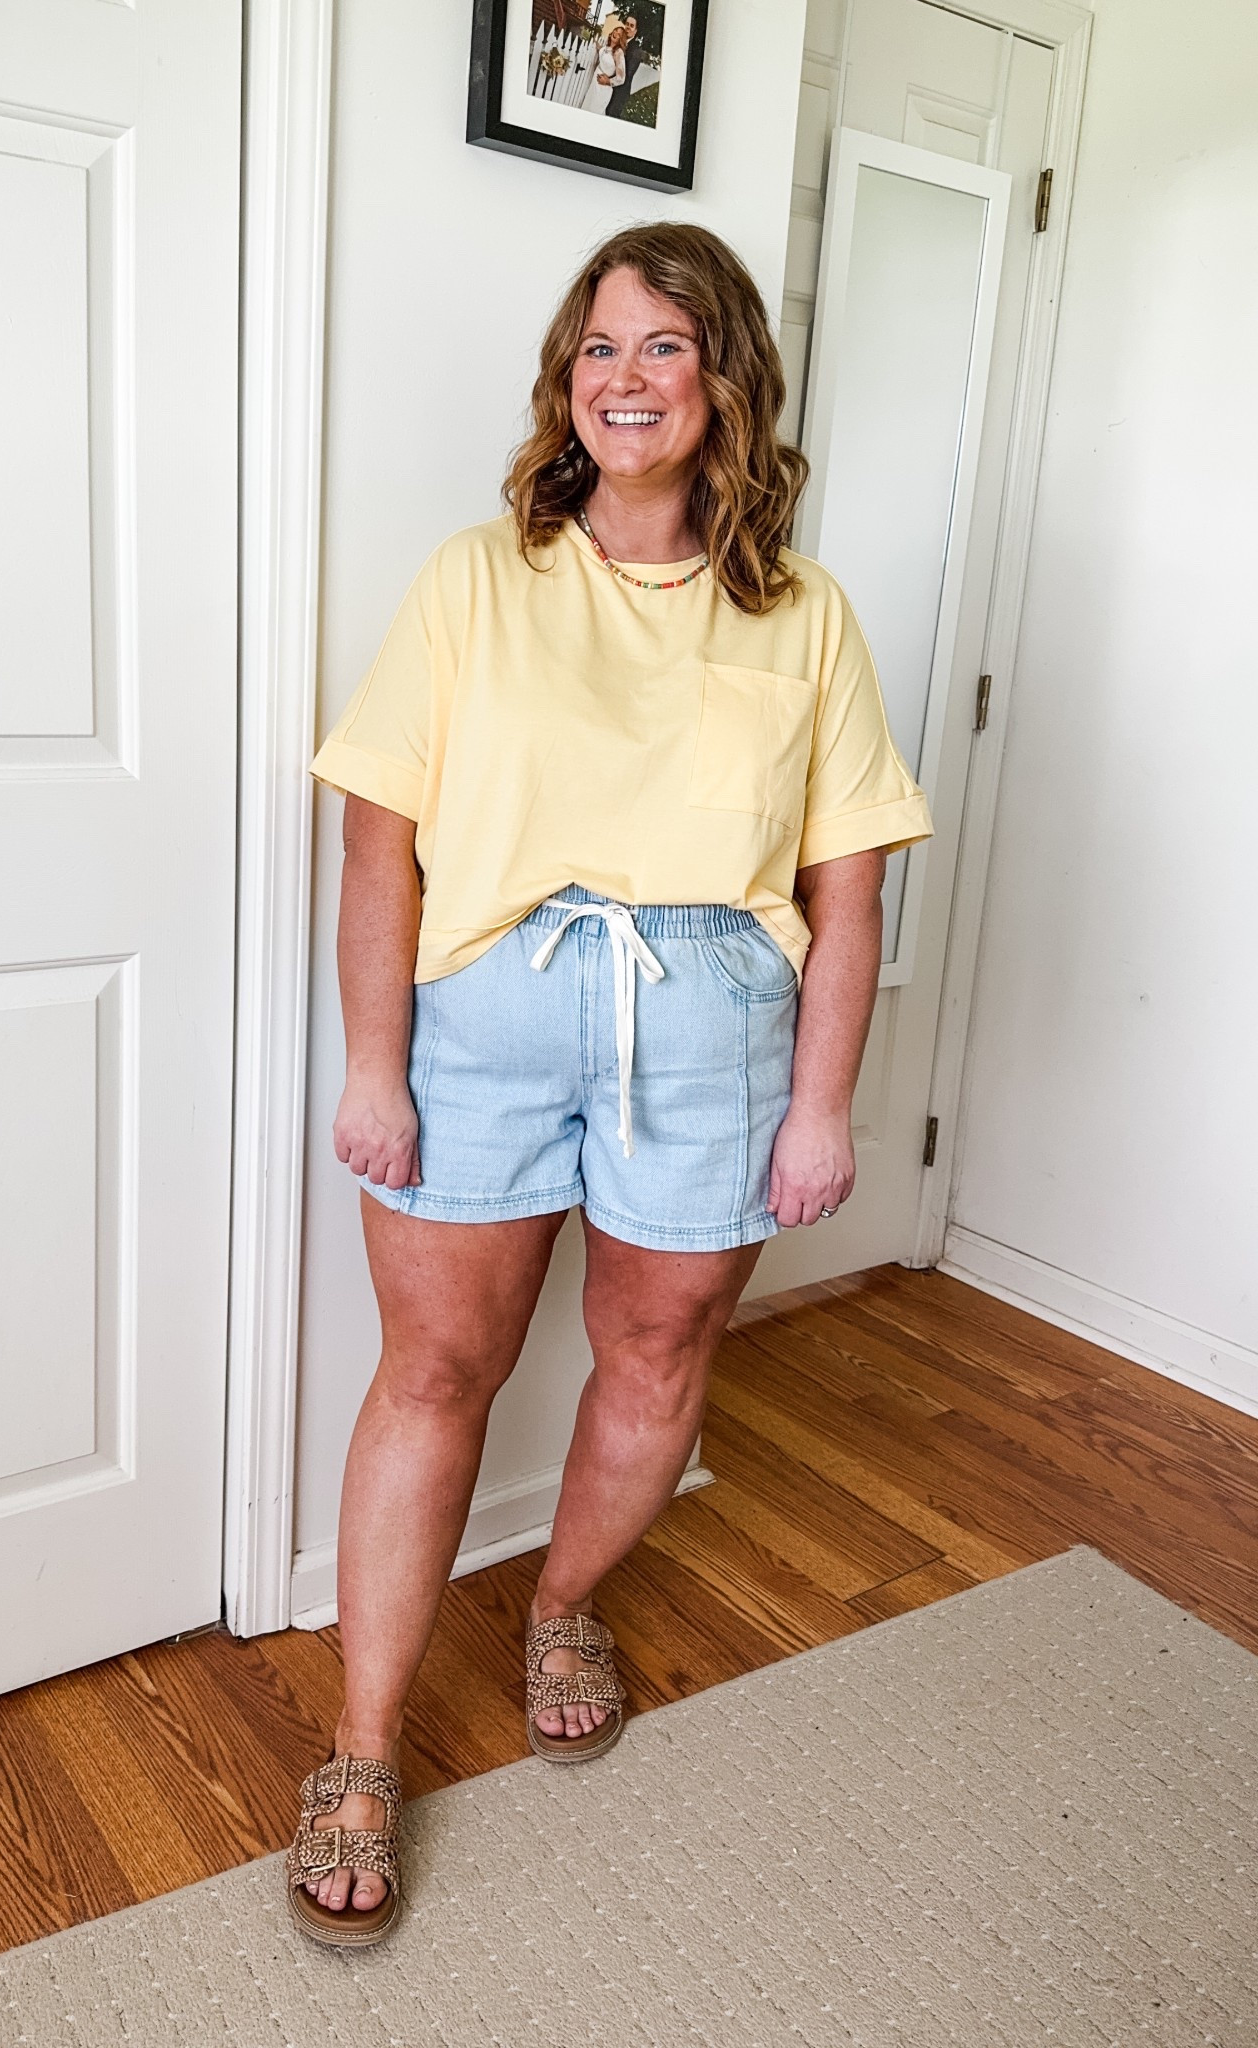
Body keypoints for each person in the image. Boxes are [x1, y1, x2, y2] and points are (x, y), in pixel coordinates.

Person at [284, 221, 933, 1947]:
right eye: (598, 346)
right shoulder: (476, 578)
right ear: (565, 385)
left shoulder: (803, 616)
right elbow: (378, 847)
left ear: (725, 381)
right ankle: (358, 1747)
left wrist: (820, 1102)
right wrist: (373, 1062)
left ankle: (562, 1599)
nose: (625, 377)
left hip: (715, 1016)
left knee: (657, 1347)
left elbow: (850, 887)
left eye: (662, 345)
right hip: (488, 1008)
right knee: (437, 1366)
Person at [580, 18, 627, 114]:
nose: (615, 34)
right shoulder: (607, 47)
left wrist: (608, 81)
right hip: (595, 83)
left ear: (621, 39)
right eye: (615, 31)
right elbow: (603, 52)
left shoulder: (618, 53)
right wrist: (594, 42)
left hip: (603, 87)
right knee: (586, 107)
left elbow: (621, 78)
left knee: (593, 112)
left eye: (619, 34)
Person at [604, 17, 640, 118]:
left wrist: (608, 81)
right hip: (608, 89)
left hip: (618, 94)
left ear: (635, 31)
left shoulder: (636, 51)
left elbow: (627, 75)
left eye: (631, 26)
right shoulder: (620, 42)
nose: (628, 27)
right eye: (627, 24)